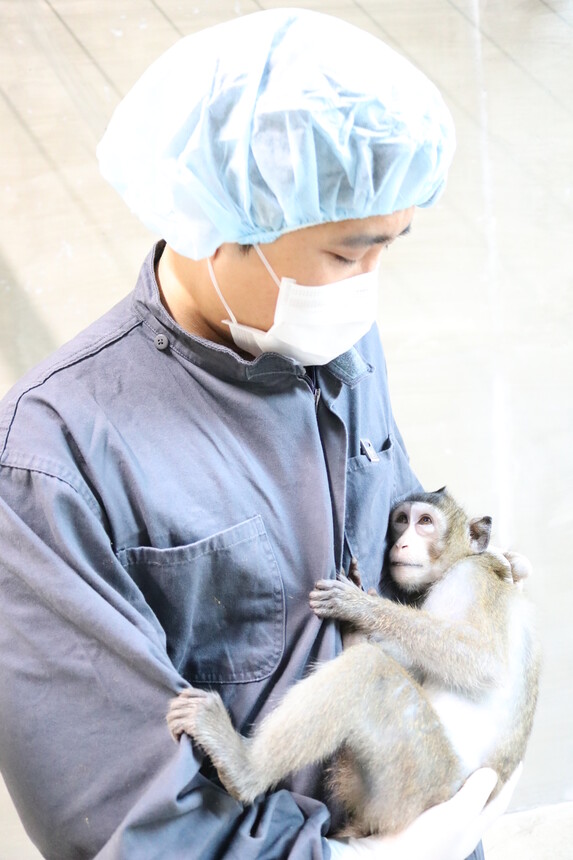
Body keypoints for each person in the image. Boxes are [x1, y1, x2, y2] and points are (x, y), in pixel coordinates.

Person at [0, 8, 519, 859]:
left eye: (394, 243)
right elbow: (119, 807)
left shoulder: (326, 333)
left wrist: (468, 581)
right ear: (211, 224)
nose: (369, 287)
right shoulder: (52, 459)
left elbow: (385, 551)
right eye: (348, 254)